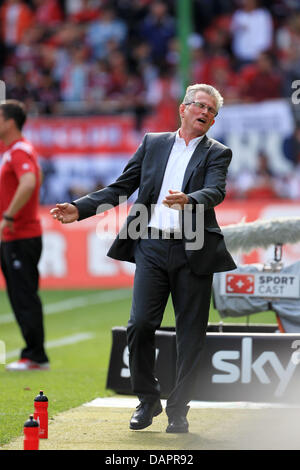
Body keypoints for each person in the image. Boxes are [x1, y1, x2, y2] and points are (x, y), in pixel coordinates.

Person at [50, 83, 236, 433]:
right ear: (183, 108)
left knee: (191, 334)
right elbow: (121, 187)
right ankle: (147, 399)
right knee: (139, 326)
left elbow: (217, 191)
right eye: (201, 106)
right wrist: (80, 208)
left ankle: (179, 408)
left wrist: (191, 199)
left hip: (193, 250)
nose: (206, 113)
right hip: (150, 245)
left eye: (212, 111)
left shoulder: (217, 152)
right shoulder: (153, 143)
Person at [0, 100, 49, 371]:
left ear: (9, 121)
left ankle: (35, 355)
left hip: (21, 234)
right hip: (13, 236)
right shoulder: (11, 151)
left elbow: (30, 181)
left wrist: (8, 216)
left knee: (24, 295)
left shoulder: (19, 151)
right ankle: (32, 353)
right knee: (19, 296)